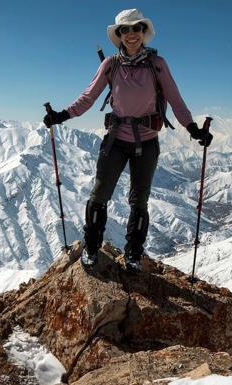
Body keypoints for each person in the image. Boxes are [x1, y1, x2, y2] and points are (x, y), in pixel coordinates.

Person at [44, 8, 212, 272]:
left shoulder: (158, 65)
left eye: (137, 28)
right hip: (116, 140)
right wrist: (62, 116)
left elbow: (177, 101)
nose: (132, 34)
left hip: (147, 142)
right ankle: (91, 247)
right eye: (125, 30)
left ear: (144, 32)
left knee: (139, 201)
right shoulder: (110, 65)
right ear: (119, 35)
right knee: (99, 195)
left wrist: (193, 129)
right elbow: (88, 97)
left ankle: (133, 253)